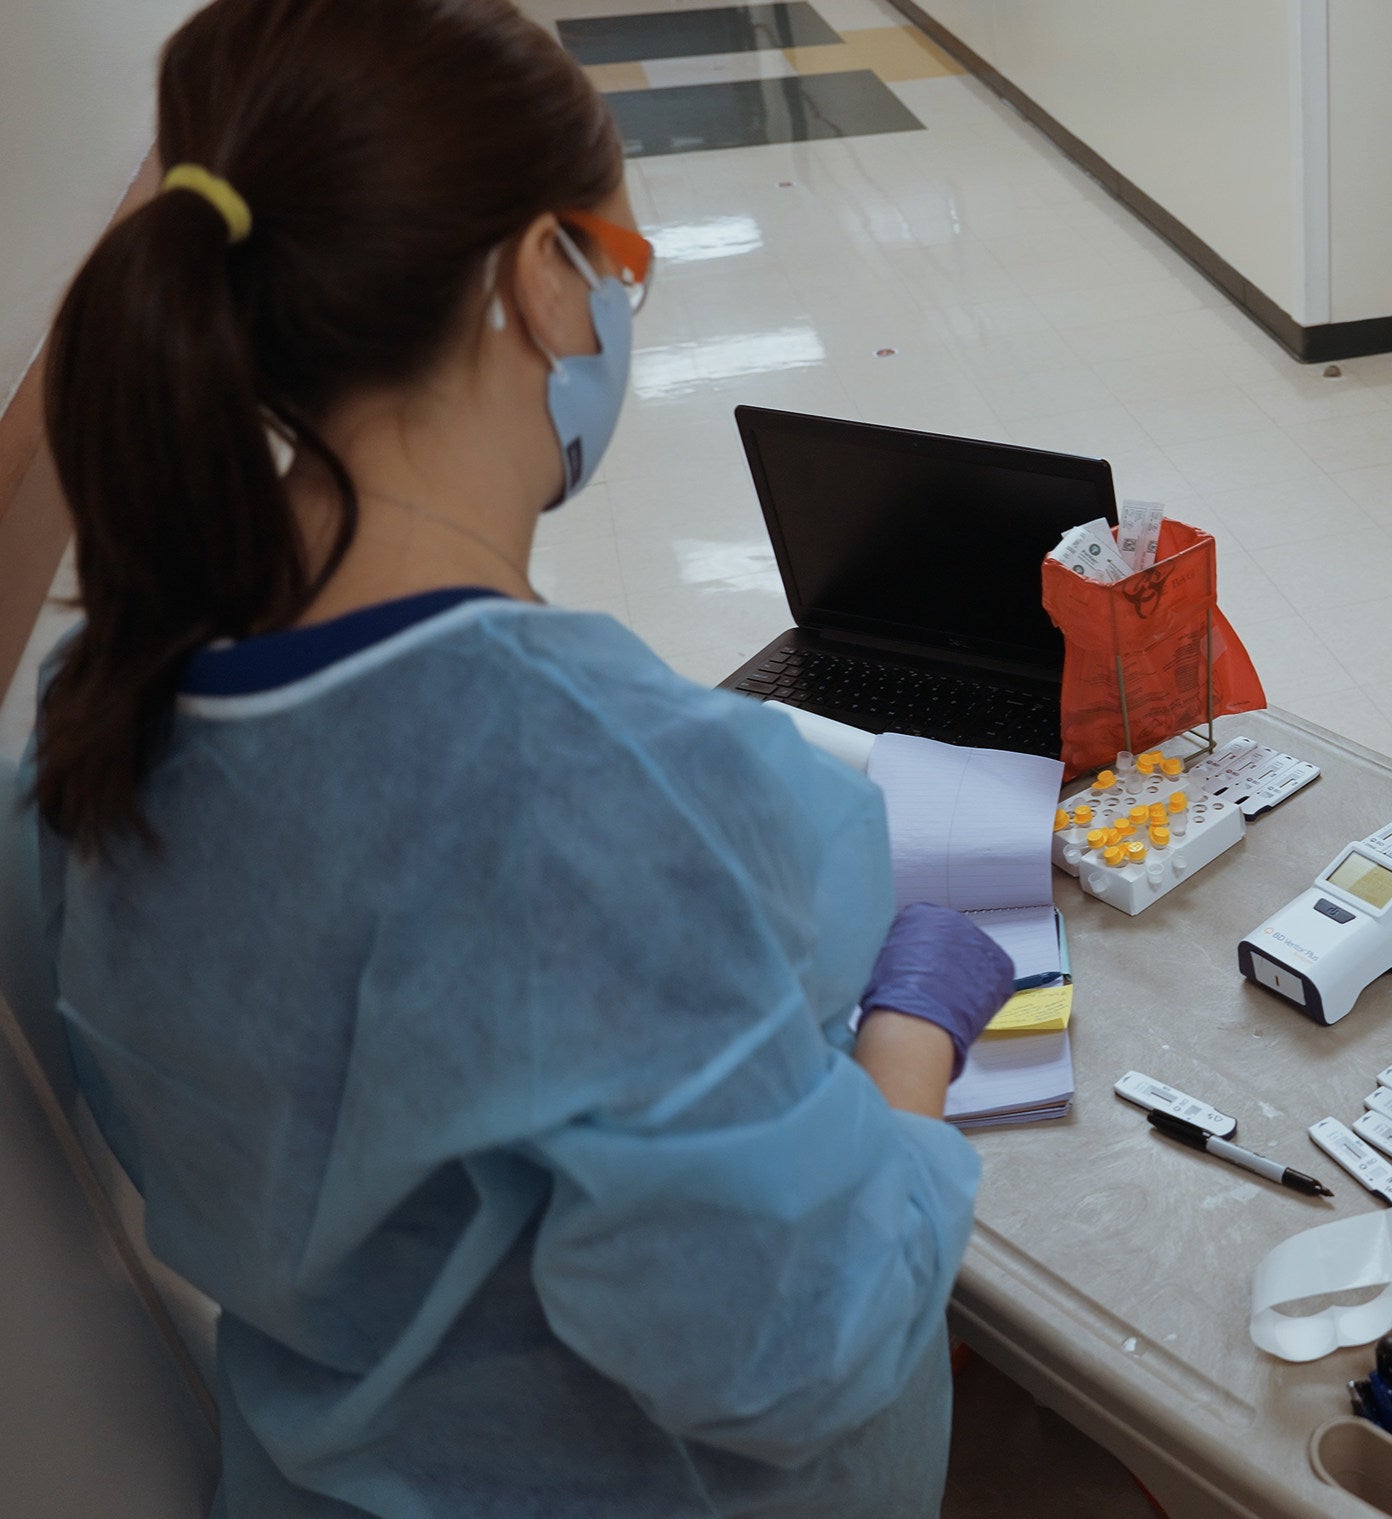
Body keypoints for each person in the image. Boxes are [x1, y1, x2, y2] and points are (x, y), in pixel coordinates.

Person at [0, 1, 1004, 1512]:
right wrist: (912, 1031)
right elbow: (805, 1344)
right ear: (542, 275)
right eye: (621, 268)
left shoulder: (104, 710)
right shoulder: (592, 791)